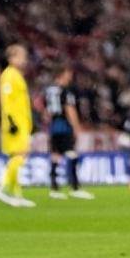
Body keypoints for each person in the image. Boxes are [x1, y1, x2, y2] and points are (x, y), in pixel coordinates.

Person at [0, 44, 36, 207]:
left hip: (22, 122)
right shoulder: (9, 75)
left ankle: (17, 195)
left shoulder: (16, 75)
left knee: (17, 157)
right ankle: (1, 186)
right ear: (11, 58)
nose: (24, 60)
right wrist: (11, 122)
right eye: (21, 56)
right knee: (20, 155)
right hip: (15, 124)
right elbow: (7, 101)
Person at [44, 65, 93, 200]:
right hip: (64, 126)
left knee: (55, 155)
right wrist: (76, 127)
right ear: (62, 74)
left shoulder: (49, 90)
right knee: (72, 154)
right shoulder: (66, 91)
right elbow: (69, 109)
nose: (70, 77)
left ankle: (54, 188)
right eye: (68, 74)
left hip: (53, 126)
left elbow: (47, 111)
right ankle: (75, 187)